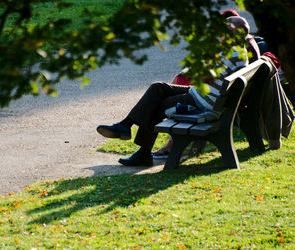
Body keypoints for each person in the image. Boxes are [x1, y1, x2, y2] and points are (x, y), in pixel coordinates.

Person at [96, 16, 250, 166]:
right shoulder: (235, 51)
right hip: (201, 95)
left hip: (203, 103)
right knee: (158, 87)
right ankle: (125, 126)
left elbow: (202, 77)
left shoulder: (232, 53)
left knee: (156, 104)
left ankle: (141, 150)